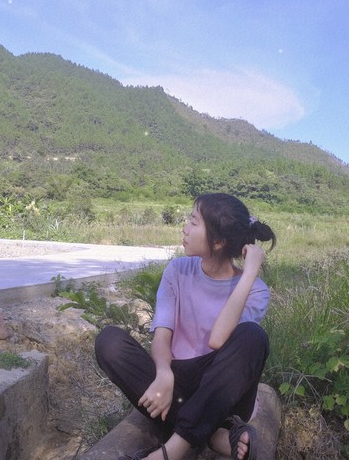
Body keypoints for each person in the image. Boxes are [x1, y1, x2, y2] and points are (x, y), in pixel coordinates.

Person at [95, 192, 276, 460]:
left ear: (218, 242)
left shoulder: (256, 290)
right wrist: (163, 373)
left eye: (193, 221)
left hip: (223, 392)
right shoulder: (177, 270)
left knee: (253, 336)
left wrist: (248, 274)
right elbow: (162, 334)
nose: (185, 228)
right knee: (109, 341)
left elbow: (217, 340)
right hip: (178, 387)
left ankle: (173, 450)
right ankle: (212, 435)